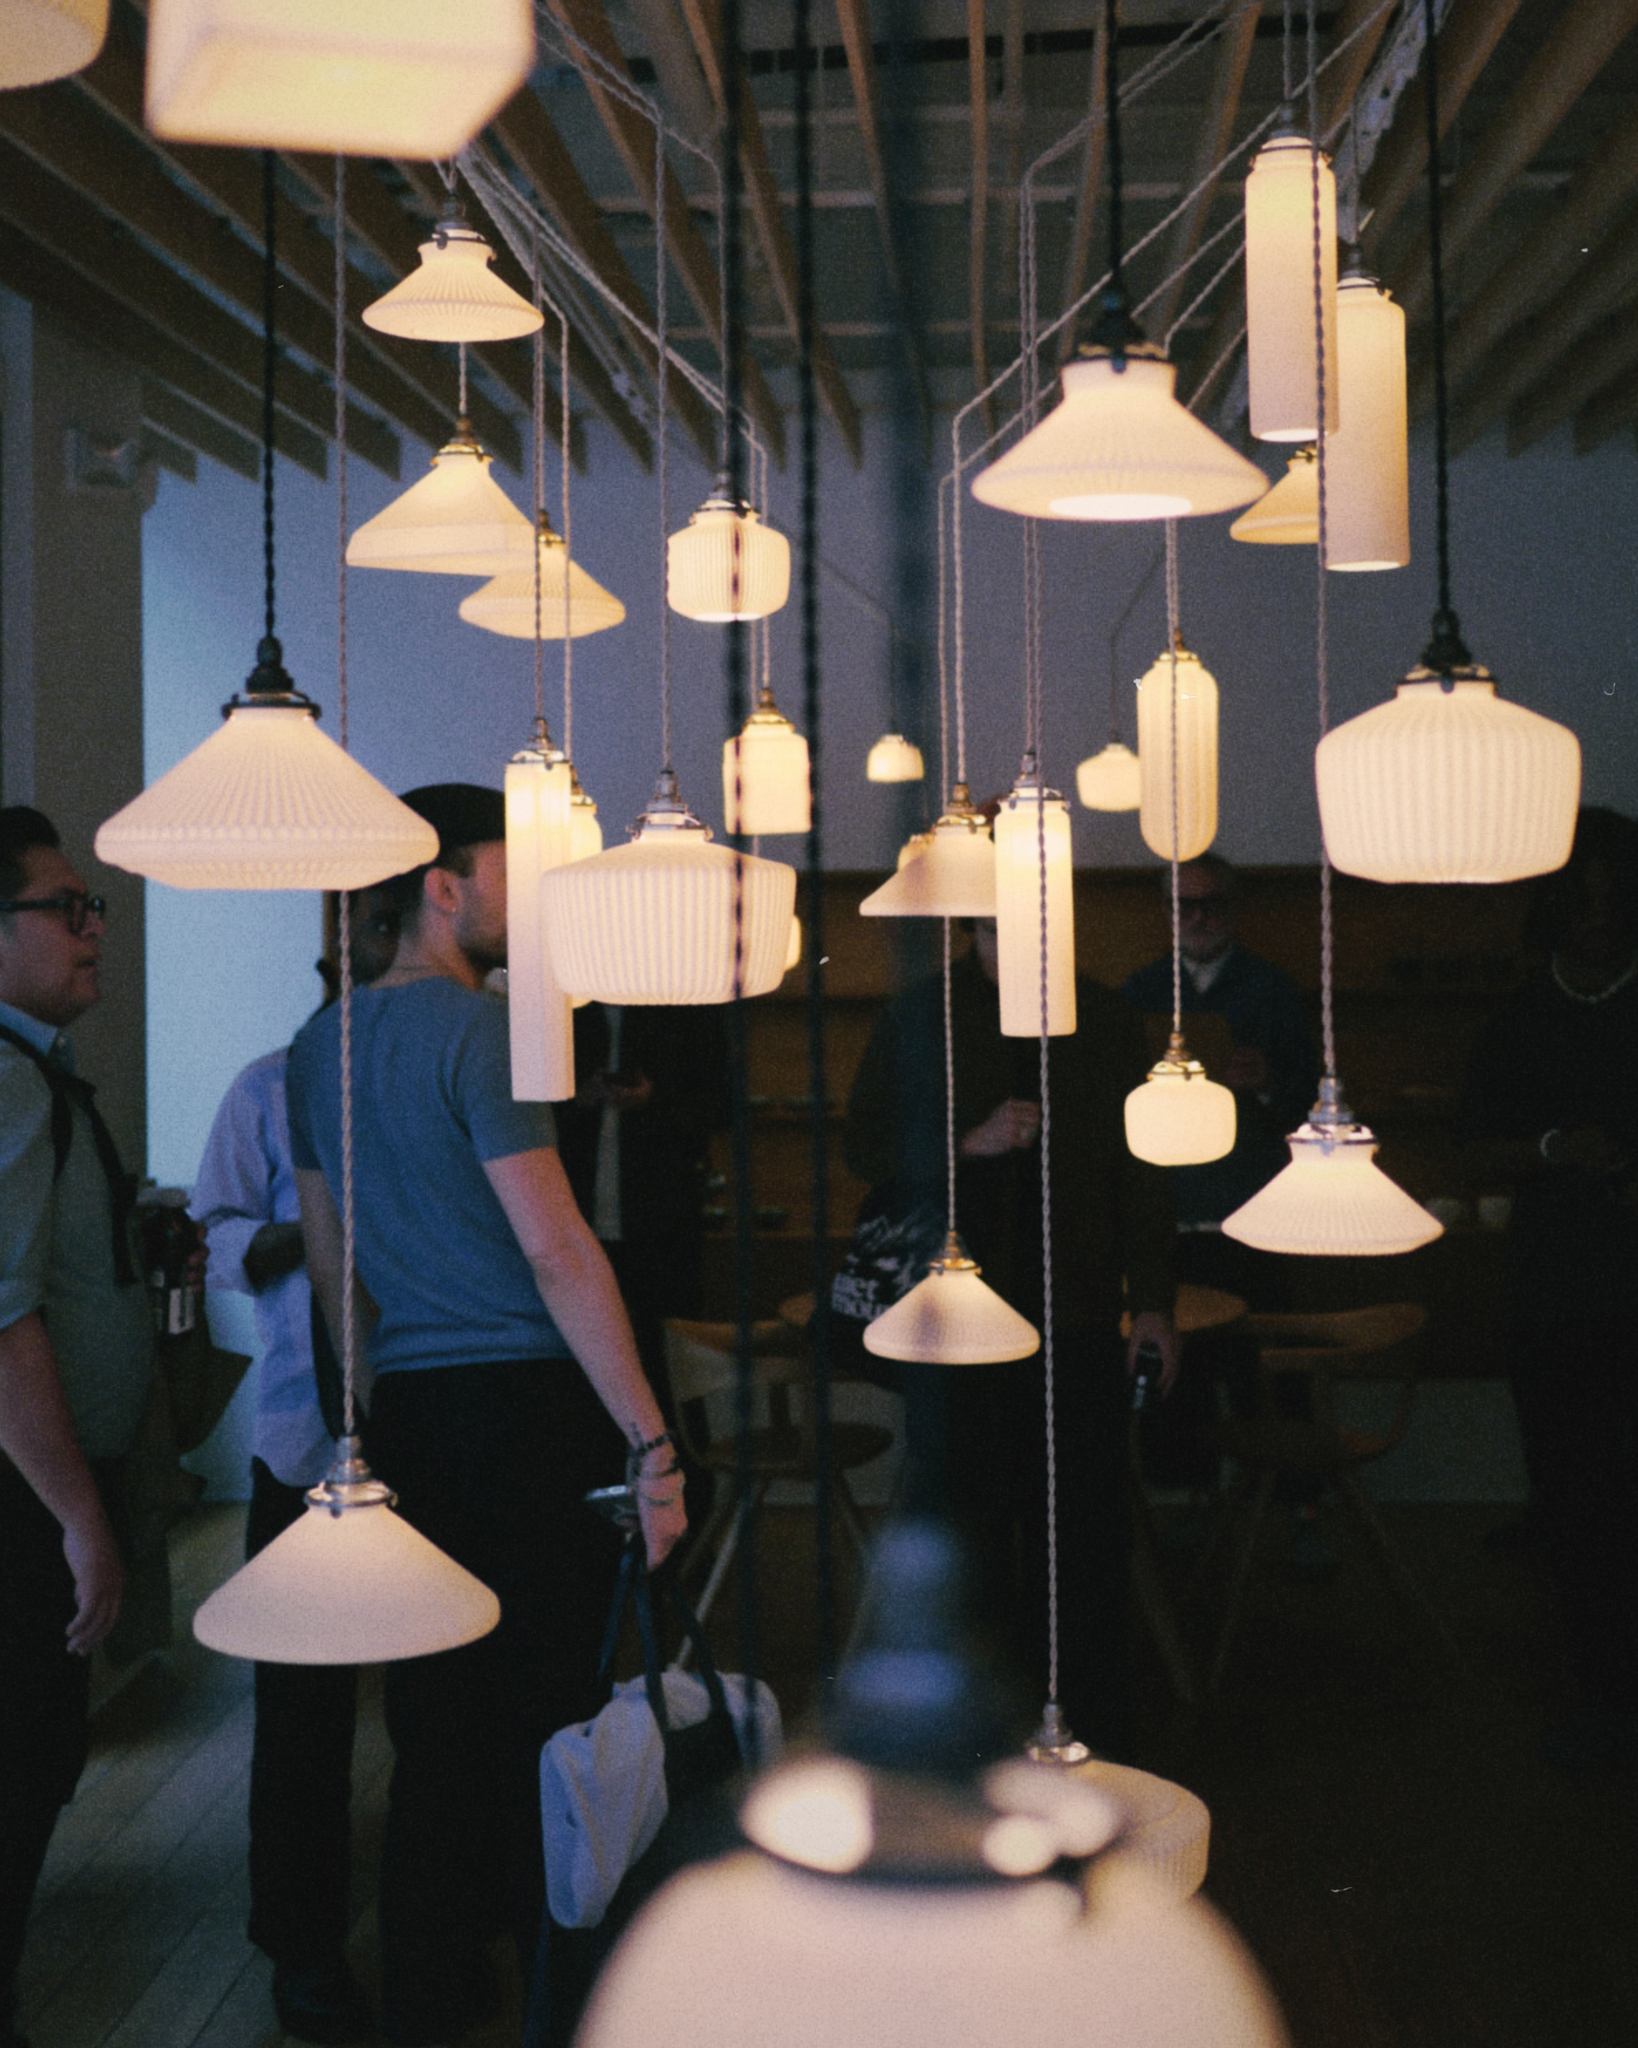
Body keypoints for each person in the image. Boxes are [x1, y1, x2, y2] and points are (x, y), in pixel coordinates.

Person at [285, 785, 686, 2048]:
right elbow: (559, 1251)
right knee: (552, 1722)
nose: (537, 893)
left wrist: (360, 1423)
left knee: (433, 1727)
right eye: (517, 868)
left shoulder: (317, 1044)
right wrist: (653, 1440)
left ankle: (425, 2003)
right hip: (530, 1408)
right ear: (444, 885)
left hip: (413, 1417)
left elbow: (332, 1257)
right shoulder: (489, 1031)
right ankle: (562, 2009)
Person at [843, 917, 1176, 1757]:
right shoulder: (923, 1013)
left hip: (1080, 1311)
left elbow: (1142, 1170)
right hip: (957, 1322)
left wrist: (1156, 1303)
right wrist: (968, 1141)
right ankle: (975, 1744)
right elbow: (863, 1144)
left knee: (1086, 1538)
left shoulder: (1103, 1018)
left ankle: (1091, 1739)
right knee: (970, 1532)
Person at [189, 889, 400, 2047]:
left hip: (421, 1418)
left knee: (432, 1690)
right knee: (303, 1709)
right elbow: (214, 1233)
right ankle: (302, 1941)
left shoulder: (433, 1076)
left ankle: (442, 1913)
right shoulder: (265, 1086)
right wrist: (305, 1230)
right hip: (296, 1431)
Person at [0, 807, 153, 2048]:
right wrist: (81, 1520)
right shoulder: (7, 1082)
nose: (93, 926)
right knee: (22, 1765)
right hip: (22, 1503)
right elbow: (2, 1325)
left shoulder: (32, 1073)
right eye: (67, 907)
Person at [1463, 806, 1638, 1771]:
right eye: (1584, 908)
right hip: (1557, 1297)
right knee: (1576, 1507)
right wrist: (1551, 1150)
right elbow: (1474, 1146)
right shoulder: (1522, 1021)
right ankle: (1608, 1700)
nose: (1599, 926)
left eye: (1615, 908)